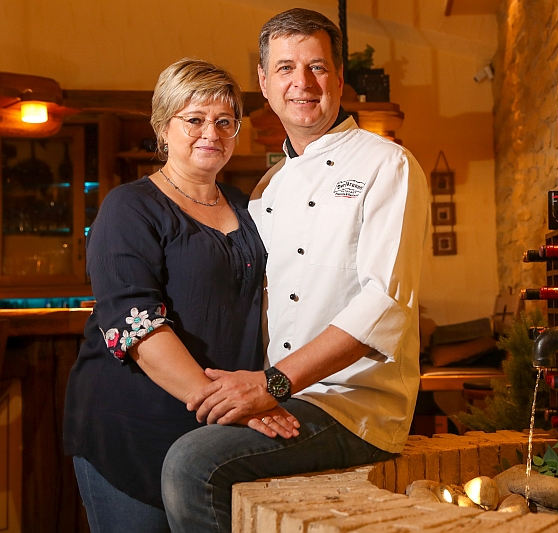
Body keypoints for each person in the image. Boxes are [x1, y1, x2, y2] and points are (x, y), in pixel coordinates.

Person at [160, 8, 430, 533]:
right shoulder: (270, 189)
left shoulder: (387, 164)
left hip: (356, 407)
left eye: (317, 68)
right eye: (285, 68)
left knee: (194, 465)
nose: (302, 84)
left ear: (339, 77)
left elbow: (383, 305)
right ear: (263, 82)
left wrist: (273, 386)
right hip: (290, 399)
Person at [63, 58, 298, 533]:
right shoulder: (129, 207)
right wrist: (231, 405)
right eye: (194, 119)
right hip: (132, 426)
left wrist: (263, 389)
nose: (211, 131)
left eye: (224, 121)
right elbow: (136, 325)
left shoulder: (244, 205)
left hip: (214, 431)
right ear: (162, 128)